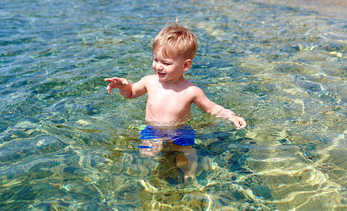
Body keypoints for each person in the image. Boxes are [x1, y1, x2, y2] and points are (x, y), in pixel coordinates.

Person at [105, 22, 247, 181]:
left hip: (180, 130)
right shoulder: (149, 82)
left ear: (185, 65)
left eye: (166, 63)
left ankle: (189, 175)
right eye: (155, 59)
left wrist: (232, 116)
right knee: (147, 154)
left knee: (186, 153)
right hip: (153, 129)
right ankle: (148, 181)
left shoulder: (191, 91)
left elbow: (213, 110)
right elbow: (130, 94)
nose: (158, 66)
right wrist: (123, 86)